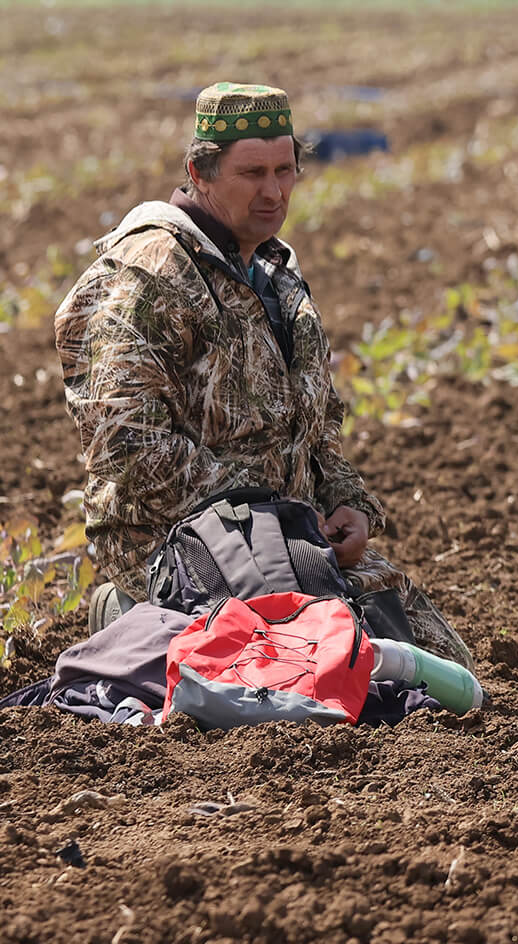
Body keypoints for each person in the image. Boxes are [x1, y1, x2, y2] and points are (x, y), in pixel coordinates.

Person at [51, 82, 474, 671]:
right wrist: (273, 513)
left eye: (285, 169)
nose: (273, 192)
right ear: (200, 172)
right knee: (321, 679)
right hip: (175, 542)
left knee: (439, 672)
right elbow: (132, 455)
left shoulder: (275, 273)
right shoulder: (148, 279)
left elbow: (315, 419)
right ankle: (132, 608)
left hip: (289, 537)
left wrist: (344, 500)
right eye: (252, 173)